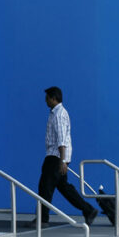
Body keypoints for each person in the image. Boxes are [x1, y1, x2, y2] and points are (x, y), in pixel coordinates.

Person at [28, 86, 98, 228]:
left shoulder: (59, 114)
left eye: (47, 98)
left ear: (54, 98)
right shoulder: (56, 113)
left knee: (45, 187)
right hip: (57, 156)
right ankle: (88, 210)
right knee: (64, 188)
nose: (45, 100)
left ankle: (43, 219)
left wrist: (62, 161)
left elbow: (61, 139)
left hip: (56, 156)